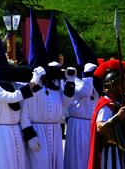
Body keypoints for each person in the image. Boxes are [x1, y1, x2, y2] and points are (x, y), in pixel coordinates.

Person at [0, 14, 44, 169]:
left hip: (14, 130)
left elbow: (21, 88)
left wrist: (37, 81)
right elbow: (10, 97)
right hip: (0, 133)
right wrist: (33, 82)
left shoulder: (6, 81)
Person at [20, 10, 75, 169]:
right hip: (39, 130)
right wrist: (30, 135)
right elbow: (24, 112)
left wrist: (70, 83)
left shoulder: (54, 85)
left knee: (56, 164)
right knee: (40, 164)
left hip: (55, 131)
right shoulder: (32, 86)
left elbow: (65, 103)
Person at [64, 19, 100, 169]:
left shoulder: (92, 81)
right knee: (78, 159)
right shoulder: (75, 80)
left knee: (89, 159)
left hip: (90, 124)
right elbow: (85, 92)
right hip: (77, 124)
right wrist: (87, 74)